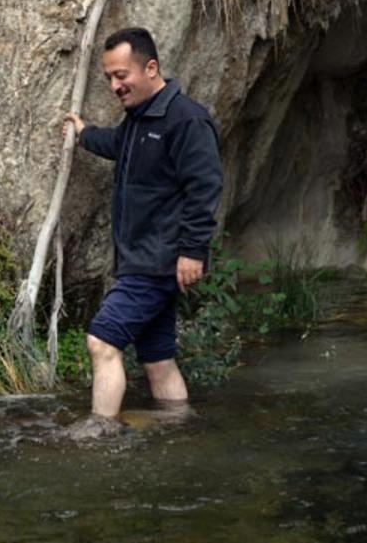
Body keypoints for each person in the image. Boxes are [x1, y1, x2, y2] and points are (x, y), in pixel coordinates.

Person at [65, 27, 223, 433]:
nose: (115, 86)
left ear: (151, 67)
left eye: (122, 75)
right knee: (157, 358)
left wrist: (192, 251)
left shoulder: (186, 119)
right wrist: (84, 134)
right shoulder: (138, 120)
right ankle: (179, 433)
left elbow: (205, 187)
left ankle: (100, 437)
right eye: (109, 78)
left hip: (155, 264)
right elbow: (117, 144)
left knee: (102, 342)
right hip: (145, 261)